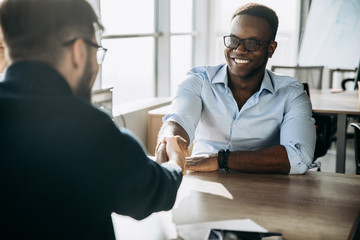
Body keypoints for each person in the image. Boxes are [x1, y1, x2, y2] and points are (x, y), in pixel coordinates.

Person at [0, 0, 185, 239]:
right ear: (78, 51)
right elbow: (152, 193)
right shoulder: (90, 130)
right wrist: (175, 163)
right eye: (96, 50)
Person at [156, 3, 316, 175]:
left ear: (271, 49)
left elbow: (299, 157)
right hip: (202, 184)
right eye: (233, 40)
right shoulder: (199, 80)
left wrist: (219, 160)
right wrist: (169, 139)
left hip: (265, 187)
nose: (239, 50)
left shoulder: (291, 93)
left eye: (252, 43)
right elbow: (179, 119)